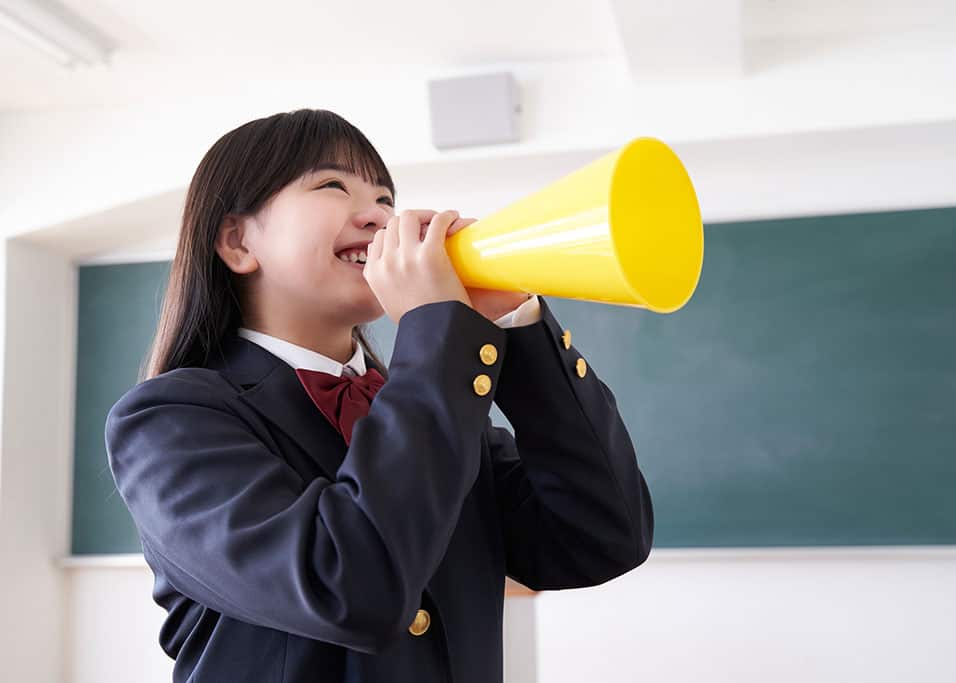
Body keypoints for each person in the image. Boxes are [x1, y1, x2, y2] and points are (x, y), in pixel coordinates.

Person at [105, 108, 654, 683]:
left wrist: (515, 322)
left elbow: (603, 537)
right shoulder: (167, 420)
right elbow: (346, 586)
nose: (379, 217)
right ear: (239, 242)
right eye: (332, 185)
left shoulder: (434, 403)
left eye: (386, 198)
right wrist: (438, 338)